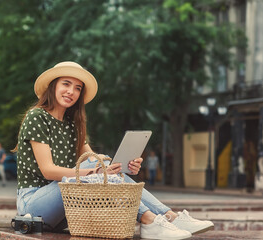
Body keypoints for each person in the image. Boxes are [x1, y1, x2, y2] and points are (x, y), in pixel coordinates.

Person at [14, 61, 214, 240]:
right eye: (66, 84)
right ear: (53, 86)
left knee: (103, 166)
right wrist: (96, 172)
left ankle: (169, 216)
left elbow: (94, 159)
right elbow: (48, 171)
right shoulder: (37, 117)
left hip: (67, 208)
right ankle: (151, 219)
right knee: (98, 170)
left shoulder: (73, 124)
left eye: (77, 88)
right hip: (34, 206)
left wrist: (123, 168)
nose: (71, 92)